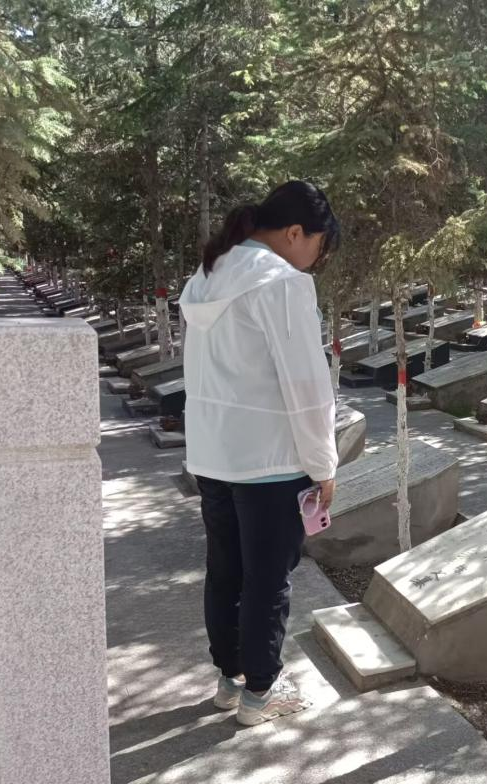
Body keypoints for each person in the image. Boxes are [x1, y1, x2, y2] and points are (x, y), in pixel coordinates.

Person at [180, 180, 340, 726]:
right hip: (271, 461)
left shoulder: (207, 276)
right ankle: (260, 694)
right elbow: (307, 386)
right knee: (267, 581)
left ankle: (230, 680)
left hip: (213, 455)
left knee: (224, 572)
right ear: (295, 232)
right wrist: (323, 466)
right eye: (317, 245)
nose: (315, 258)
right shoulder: (281, 283)